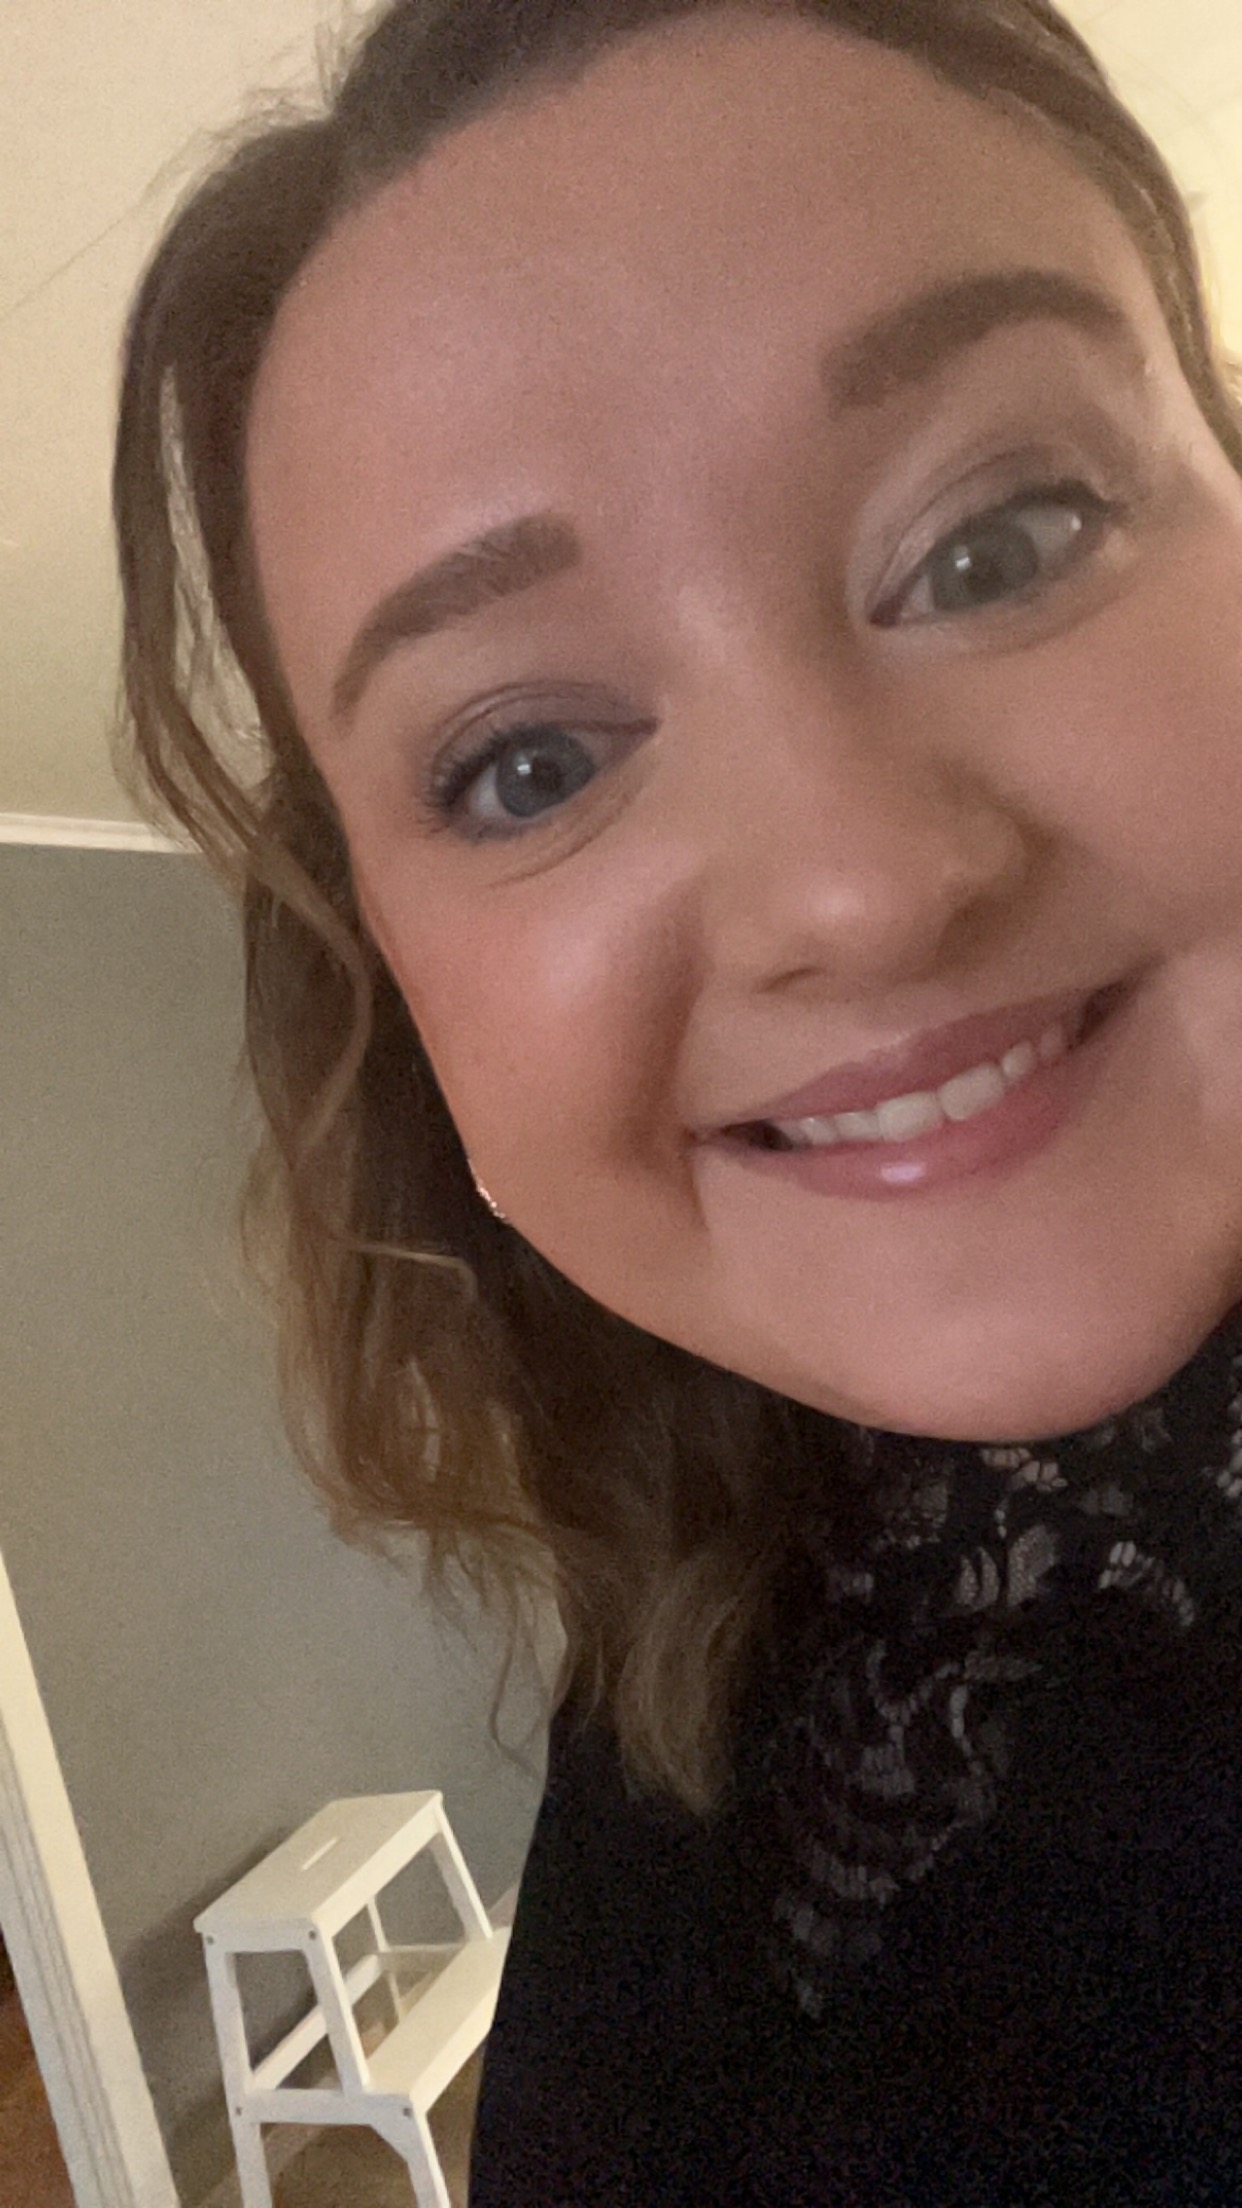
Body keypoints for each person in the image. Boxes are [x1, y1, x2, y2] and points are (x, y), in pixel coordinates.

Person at [112, 0, 1242, 2197]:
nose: (859, 887)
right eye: (526, 763)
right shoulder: (700, 1586)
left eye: (1002, 540)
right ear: (394, 987)